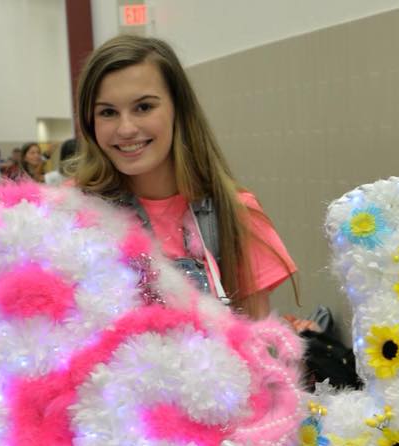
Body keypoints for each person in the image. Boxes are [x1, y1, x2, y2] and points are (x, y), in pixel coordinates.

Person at [71, 35, 295, 317]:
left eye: (144, 107)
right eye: (108, 112)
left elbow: (255, 346)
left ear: (179, 109)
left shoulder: (234, 214)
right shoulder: (72, 215)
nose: (126, 128)